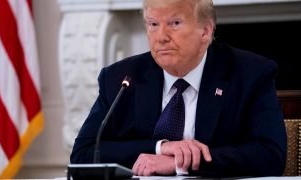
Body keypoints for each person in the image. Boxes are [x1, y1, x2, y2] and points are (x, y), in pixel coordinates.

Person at [70, 0, 287, 177]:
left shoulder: (250, 74)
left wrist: (181, 164)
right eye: (153, 24)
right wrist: (160, 148)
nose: (161, 37)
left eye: (174, 23)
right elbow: (84, 153)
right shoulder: (120, 78)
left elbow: (270, 156)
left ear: (205, 31)